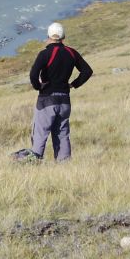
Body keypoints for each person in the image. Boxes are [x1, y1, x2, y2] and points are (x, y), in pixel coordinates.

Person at [27, 22, 93, 162]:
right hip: (64, 100)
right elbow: (87, 71)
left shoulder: (45, 53)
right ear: (63, 37)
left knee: (40, 134)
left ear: (48, 36)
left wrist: (38, 87)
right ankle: (64, 166)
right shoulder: (71, 52)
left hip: (46, 100)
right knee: (62, 135)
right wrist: (73, 84)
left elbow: (33, 75)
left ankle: (34, 164)